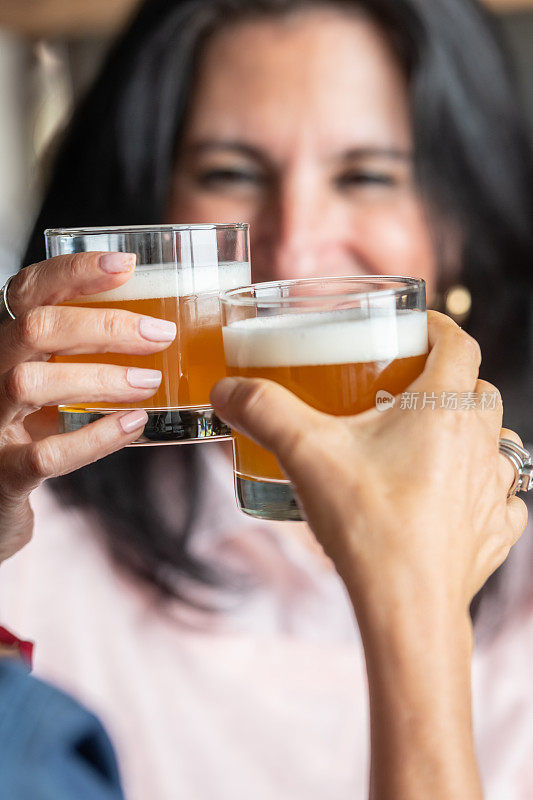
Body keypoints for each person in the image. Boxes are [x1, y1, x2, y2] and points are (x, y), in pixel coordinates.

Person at [0, 0, 532, 797]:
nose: (295, 245)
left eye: (367, 175)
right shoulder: (30, 546)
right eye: (230, 174)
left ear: (461, 223)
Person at [0, 312, 528, 799]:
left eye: (365, 200)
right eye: (237, 201)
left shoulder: (518, 589)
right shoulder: (30, 529)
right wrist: (419, 596)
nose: (294, 243)